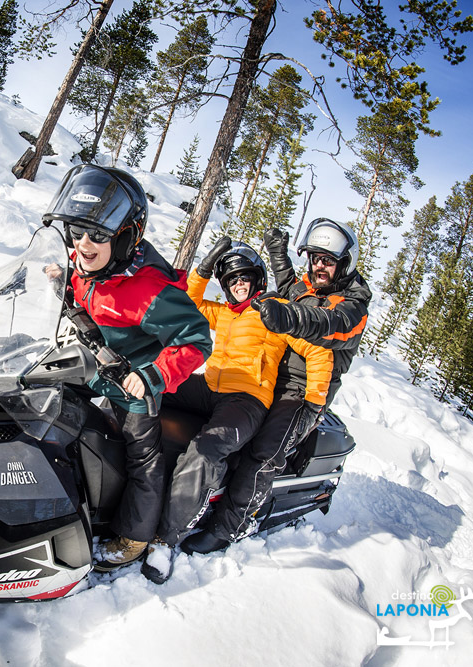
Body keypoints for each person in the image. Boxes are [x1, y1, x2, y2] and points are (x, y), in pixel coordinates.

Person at [42, 164, 213, 571]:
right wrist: (63, 280)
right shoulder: (91, 265)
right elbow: (87, 291)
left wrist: (153, 375)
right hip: (95, 365)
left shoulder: (150, 290)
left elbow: (197, 340)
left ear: (123, 238)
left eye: (98, 236)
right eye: (77, 231)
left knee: (143, 458)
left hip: (135, 385)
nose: (83, 244)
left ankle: (134, 537)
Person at [144, 237, 334, 582]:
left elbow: (319, 351)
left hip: (246, 400)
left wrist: (315, 402)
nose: (239, 284)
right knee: (148, 384)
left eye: (245, 277)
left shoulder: (273, 312)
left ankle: (165, 540)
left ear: (258, 280)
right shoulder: (225, 313)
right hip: (208, 388)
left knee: (205, 450)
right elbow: (188, 301)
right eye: (232, 280)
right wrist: (204, 269)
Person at [184, 218, 372, 555]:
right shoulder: (306, 288)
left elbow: (331, 324)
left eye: (328, 260)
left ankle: (231, 526)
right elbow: (286, 286)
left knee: (264, 452)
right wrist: (277, 252)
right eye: (315, 258)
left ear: (345, 262)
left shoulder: (353, 305)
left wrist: (291, 318)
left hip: (304, 391)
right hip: (270, 379)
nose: (319, 266)